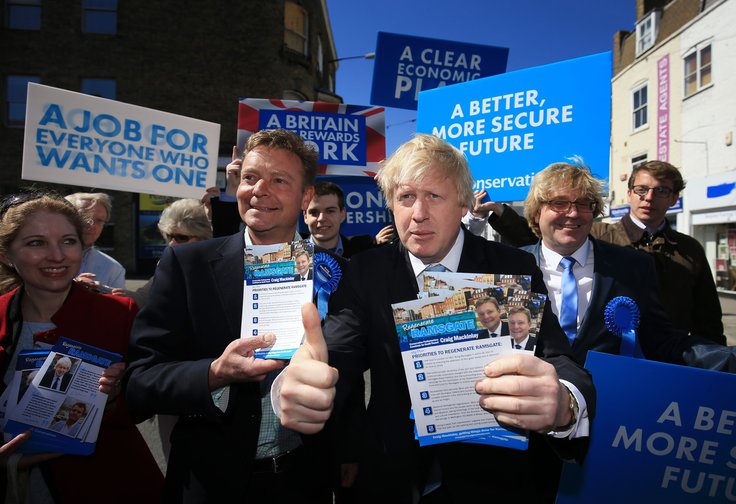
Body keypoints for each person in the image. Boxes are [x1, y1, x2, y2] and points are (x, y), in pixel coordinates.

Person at [277, 134, 596, 503]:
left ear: (463, 203)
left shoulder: (512, 266)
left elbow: (557, 358)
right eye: (406, 197)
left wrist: (565, 403)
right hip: (391, 481)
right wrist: (303, 377)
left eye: (434, 196)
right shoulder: (366, 272)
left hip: (492, 482)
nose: (418, 213)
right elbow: (335, 353)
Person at [125, 129, 341, 503]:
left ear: (306, 196)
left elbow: (349, 373)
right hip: (210, 481)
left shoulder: (332, 272)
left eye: (279, 180)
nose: (259, 190)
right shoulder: (186, 265)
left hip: (303, 479)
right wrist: (214, 373)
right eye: (250, 178)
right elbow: (140, 382)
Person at [0, 192, 163, 503]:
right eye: (36, 243)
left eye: (68, 241)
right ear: (7, 254)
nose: (57, 256)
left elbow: (146, 401)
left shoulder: (119, 313)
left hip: (103, 481)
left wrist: (118, 396)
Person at [475, 160, 726, 345]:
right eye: (559, 203)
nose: (573, 213)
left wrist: (722, 362)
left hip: (610, 405)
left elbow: (662, 341)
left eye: (584, 204)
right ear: (537, 212)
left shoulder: (635, 267)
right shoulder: (507, 269)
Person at [113, 198, 213, 307]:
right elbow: (144, 298)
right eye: (170, 236)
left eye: (181, 237)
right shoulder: (171, 264)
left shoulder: (215, 269)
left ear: (203, 237)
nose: (172, 243)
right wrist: (106, 293)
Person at [304, 181, 395, 258]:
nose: (321, 218)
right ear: (305, 216)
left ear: (342, 214)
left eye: (330, 211)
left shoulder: (363, 251)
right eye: (314, 212)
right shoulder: (293, 255)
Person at [65, 192, 126, 291]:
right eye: (84, 217)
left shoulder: (113, 268)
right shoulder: (39, 256)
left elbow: (119, 304)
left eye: (99, 220)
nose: (91, 225)